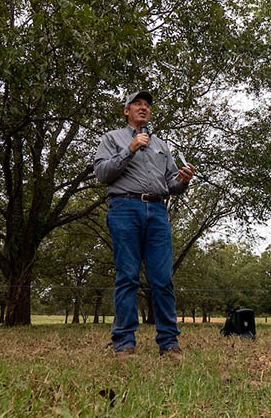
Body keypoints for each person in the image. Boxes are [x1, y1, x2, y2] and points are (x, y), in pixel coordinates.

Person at [93, 90, 195, 359]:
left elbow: (171, 184)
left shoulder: (161, 145)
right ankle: (124, 343)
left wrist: (182, 180)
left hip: (158, 211)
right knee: (127, 276)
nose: (143, 108)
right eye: (137, 104)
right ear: (126, 110)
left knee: (163, 279)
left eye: (147, 105)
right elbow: (102, 173)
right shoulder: (112, 138)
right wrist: (130, 149)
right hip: (125, 208)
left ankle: (169, 343)